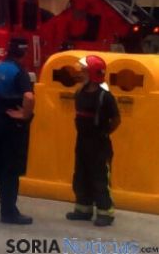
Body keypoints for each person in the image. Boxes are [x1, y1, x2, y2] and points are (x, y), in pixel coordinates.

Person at [66, 55, 120, 228]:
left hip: (99, 144)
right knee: (81, 175)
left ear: (93, 73)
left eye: (84, 70)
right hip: (82, 142)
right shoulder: (79, 92)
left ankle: (106, 212)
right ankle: (83, 209)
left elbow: (116, 120)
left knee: (100, 178)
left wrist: (103, 133)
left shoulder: (105, 97)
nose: (80, 73)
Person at [0, 36, 35, 224]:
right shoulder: (19, 72)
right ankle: (10, 211)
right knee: (12, 168)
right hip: (11, 125)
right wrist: (25, 115)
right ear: (23, 52)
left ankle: (4, 207)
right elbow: (29, 97)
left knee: (1, 168)